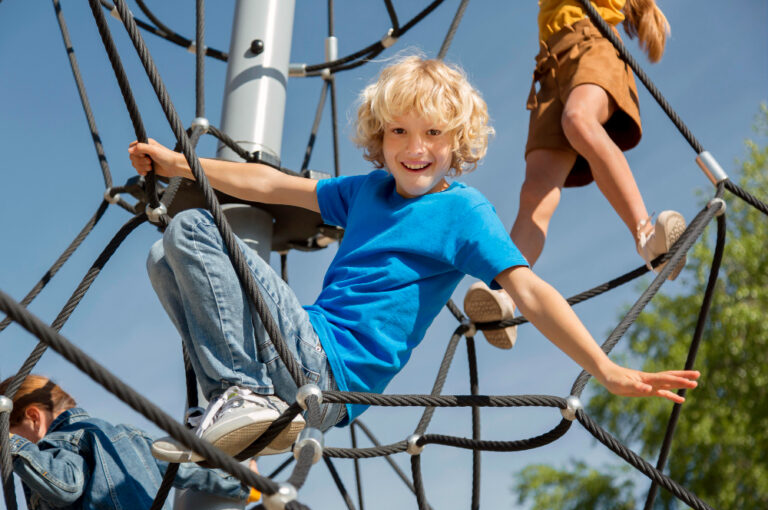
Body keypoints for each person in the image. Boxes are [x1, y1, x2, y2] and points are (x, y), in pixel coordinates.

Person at [128, 55, 699, 464]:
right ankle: (233, 416)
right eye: (398, 131)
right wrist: (181, 165)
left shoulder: (463, 213)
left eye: (432, 133)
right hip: (300, 349)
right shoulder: (367, 191)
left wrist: (606, 368)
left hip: (328, 373)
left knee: (196, 228)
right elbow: (270, 184)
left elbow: (529, 292)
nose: (415, 147)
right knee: (163, 254)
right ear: (380, 137)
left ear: (458, 142)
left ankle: (242, 395)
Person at [464, 0, 686, 349]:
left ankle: (648, 239)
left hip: (593, 43)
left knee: (579, 121)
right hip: (550, 66)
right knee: (534, 191)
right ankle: (507, 293)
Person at [2, 374, 261, 510]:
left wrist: (12, 445)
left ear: (34, 417)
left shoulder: (60, 442)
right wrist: (242, 484)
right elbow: (186, 469)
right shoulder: (130, 436)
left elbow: (66, 485)